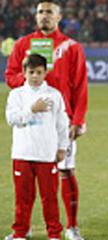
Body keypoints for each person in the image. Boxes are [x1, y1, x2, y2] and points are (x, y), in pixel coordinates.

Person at [5, 0, 88, 240]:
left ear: (59, 16)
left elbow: (81, 84)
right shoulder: (23, 44)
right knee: (28, 182)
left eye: (49, 12)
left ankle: (71, 227)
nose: (44, 16)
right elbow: (10, 75)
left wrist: (78, 119)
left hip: (61, 120)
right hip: (31, 125)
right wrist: (30, 81)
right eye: (40, 11)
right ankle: (24, 228)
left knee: (66, 171)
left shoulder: (71, 46)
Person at [5, 54, 69, 240]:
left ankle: (54, 234)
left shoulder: (54, 95)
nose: (35, 76)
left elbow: (62, 123)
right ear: (24, 73)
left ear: (45, 73)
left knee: (49, 198)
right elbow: (11, 119)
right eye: (31, 72)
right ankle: (20, 233)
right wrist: (32, 110)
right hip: (22, 154)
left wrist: (62, 147)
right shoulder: (16, 95)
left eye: (39, 72)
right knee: (23, 198)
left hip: (46, 155)